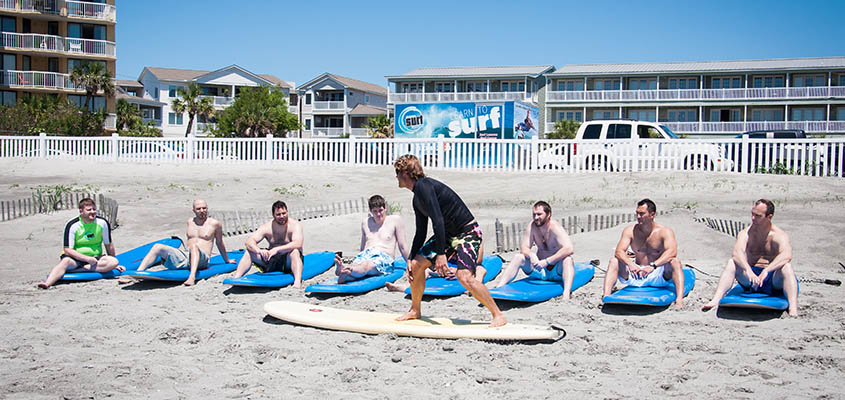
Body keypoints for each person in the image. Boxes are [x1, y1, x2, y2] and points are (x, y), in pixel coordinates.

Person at [393, 154, 506, 327]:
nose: (396, 177)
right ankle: (415, 310)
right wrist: (410, 257)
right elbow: (421, 231)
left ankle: (498, 315)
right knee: (416, 265)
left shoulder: (424, 186)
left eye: (397, 173)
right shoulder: (417, 198)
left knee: (464, 277)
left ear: (405, 174)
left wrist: (440, 254)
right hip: (448, 235)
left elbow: (437, 220)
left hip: (468, 232)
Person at [702, 199, 798, 316]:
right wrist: (748, 270)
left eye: (758, 216)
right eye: (752, 214)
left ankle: (793, 308)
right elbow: (737, 253)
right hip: (751, 278)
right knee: (732, 262)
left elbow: (786, 255)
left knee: (787, 267)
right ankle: (716, 299)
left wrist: (767, 270)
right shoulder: (746, 233)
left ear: (769, 217)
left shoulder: (778, 235)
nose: (753, 218)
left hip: (771, 278)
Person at [602, 199, 686, 309]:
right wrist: (631, 264)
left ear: (652, 215)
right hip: (636, 274)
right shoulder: (630, 230)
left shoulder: (664, 232)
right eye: (637, 213)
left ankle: (679, 300)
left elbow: (672, 252)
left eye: (642, 214)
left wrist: (653, 266)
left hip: (657, 274)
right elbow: (619, 252)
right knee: (614, 261)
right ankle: (606, 296)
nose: (638, 216)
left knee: (675, 261)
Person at [129, 199, 234, 286]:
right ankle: (138, 274)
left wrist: (227, 260)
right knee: (157, 247)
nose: (202, 211)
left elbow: (219, 243)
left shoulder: (215, 224)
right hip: (186, 256)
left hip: (202, 259)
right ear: (193, 210)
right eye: (199, 209)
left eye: (204, 208)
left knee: (194, 246)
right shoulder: (190, 221)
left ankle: (192, 277)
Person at [494, 201, 576, 299]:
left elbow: (569, 248)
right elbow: (524, 247)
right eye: (534, 214)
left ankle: (566, 293)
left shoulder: (555, 227)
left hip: (556, 270)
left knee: (568, 260)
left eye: (539, 214)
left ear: (548, 214)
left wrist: (547, 261)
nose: (536, 217)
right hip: (539, 270)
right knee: (518, 257)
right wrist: (531, 255)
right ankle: (499, 287)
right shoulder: (532, 226)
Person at [38, 198, 123, 288]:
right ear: (81, 211)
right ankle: (47, 283)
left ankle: (79, 270)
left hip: (95, 259)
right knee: (65, 262)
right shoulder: (73, 225)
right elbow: (67, 250)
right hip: (76, 259)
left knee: (113, 261)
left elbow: (108, 245)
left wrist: (114, 265)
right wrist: (87, 259)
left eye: (94, 209)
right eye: (89, 210)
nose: (92, 212)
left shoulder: (102, 223)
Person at [334, 194, 410, 283]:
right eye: (375, 211)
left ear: (385, 208)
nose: (378, 214)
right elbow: (362, 247)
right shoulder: (365, 222)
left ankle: (346, 270)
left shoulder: (395, 220)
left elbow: (402, 246)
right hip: (365, 255)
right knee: (362, 266)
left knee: (366, 265)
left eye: (380, 210)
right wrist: (358, 259)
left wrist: (410, 263)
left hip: (383, 257)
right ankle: (345, 272)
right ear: (371, 211)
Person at [231, 200, 304, 287]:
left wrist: (277, 249)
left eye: (284, 213)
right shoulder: (267, 227)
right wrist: (258, 251)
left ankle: (297, 281)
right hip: (272, 259)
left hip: (288, 259)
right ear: (273, 215)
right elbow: (249, 241)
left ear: (287, 212)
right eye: (278, 214)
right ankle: (236, 278)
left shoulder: (295, 225)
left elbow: (298, 243)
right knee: (249, 252)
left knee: (295, 251)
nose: (282, 216)